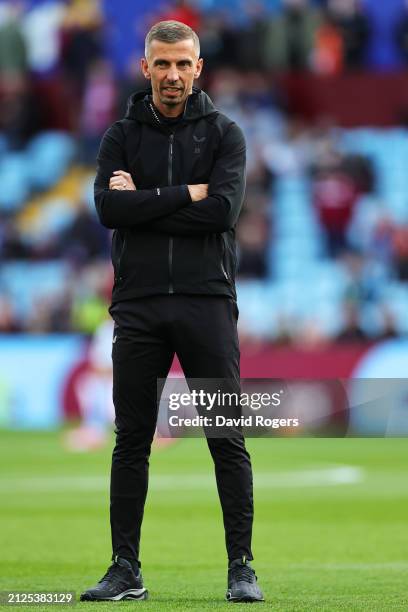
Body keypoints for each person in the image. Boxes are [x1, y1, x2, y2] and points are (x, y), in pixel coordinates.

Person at [80, 20, 264, 603]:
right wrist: (188, 192)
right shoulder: (119, 135)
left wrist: (143, 203)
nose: (173, 75)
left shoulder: (225, 133)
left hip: (207, 301)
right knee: (130, 439)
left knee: (225, 436)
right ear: (145, 69)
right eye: (162, 64)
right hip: (137, 306)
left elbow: (224, 214)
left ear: (199, 68)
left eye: (183, 64)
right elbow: (109, 209)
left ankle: (241, 567)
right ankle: (125, 568)